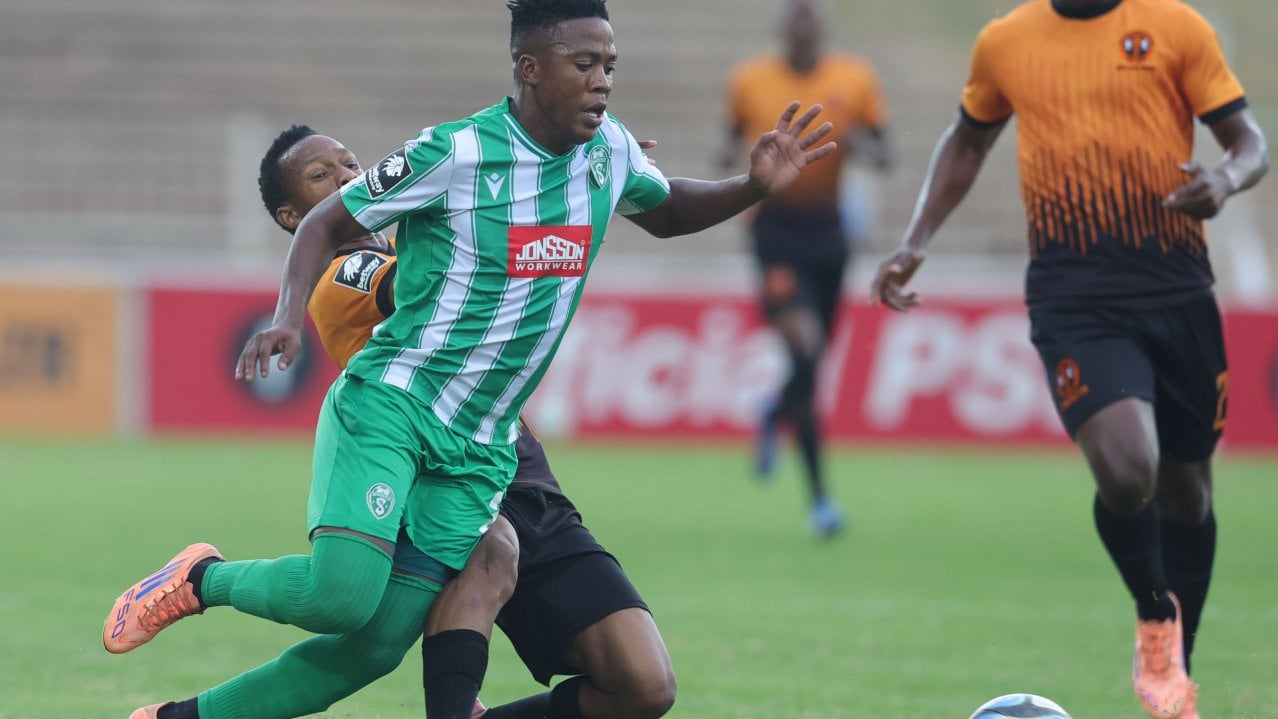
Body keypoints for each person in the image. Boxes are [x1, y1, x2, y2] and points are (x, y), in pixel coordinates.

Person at [104, 0, 836, 716]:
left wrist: (749, 187)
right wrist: (286, 319)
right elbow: (356, 240)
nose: (603, 79)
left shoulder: (606, 149)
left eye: (609, 64)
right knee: (345, 598)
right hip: (397, 412)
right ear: (529, 68)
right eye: (585, 63)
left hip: (484, 449)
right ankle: (202, 577)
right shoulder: (447, 162)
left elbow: (668, 209)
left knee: (374, 645)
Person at [870, 1, 1268, 718]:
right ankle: (1154, 614)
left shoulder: (1177, 28)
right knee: (1127, 471)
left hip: (1178, 290)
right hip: (1073, 298)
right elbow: (967, 142)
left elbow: (1249, 142)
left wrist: (1225, 180)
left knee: (1188, 495)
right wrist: (915, 236)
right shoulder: (1007, 41)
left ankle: (1177, 668)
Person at [268, 123, 676, 719]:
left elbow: (504, 264)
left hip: (519, 464)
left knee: (644, 686)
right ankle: (205, 589)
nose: (347, 179)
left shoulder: (418, 235)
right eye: (320, 176)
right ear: (291, 215)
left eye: (351, 164)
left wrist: (583, 192)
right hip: (445, 468)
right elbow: (456, 276)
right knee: (479, 558)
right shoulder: (340, 277)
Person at [716, 0, 892, 538]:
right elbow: (728, 139)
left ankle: (777, 416)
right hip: (774, 233)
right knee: (805, 346)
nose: (803, 33)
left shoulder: (855, 78)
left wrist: (863, 145)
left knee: (810, 370)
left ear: (822, 30)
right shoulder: (750, 80)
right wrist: (727, 154)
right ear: (783, 31)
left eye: (810, 24)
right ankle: (820, 501)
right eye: (795, 24)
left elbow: (886, 152)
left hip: (829, 235)